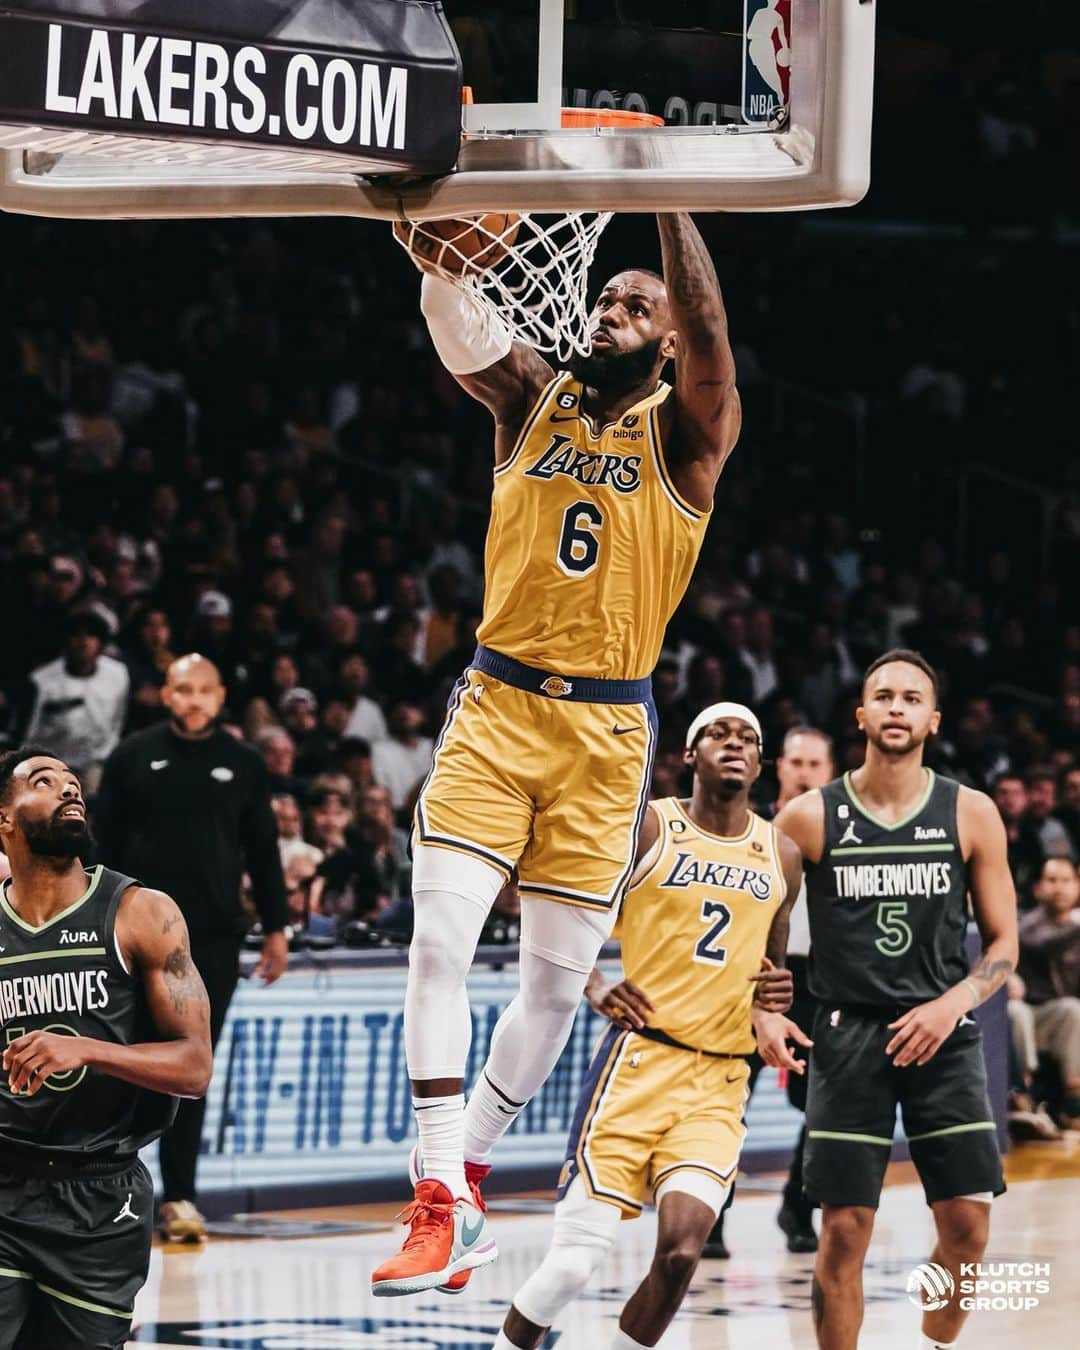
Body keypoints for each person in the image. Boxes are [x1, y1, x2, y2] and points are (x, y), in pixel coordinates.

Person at [372, 213, 740, 1298]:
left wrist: (668, 198)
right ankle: (438, 1196)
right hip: (496, 706)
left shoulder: (689, 434)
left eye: (635, 307)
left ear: (666, 343)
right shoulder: (533, 398)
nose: (607, 312)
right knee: (436, 942)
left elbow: (712, 327)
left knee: (551, 988)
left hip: (607, 736)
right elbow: (457, 328)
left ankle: (470, 1170)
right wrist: (434, 257)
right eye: (604, 298)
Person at [493, 704, 802, 1350]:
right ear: (689, 755)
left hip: (719, 1081)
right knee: (574, 1263)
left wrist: (773, 1005)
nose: (734, 744)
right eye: (718, 734)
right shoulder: (646, 828)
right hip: (637, 1064)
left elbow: (769, 976)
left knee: (681, 1255)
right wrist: (596, 984)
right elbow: (553, 909)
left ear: (760, 763)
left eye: (748, 738)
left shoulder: (783, 854)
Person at [776, 649, 1018, 1350]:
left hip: (945, 1033)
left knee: (968, 1229)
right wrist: (764, 1004)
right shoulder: (806, 818)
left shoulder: (970, 813)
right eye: (883, 695)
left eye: (912, 698)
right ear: (861, 714)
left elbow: (1003, 946)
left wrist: (953, 1003)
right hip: (848, 1037)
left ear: (932, 720)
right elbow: (761, 925)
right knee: (843, 1230)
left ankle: (931, 1344)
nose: (896, 707)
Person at [0, 747, 211, 1350]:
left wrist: (89, 1051)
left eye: (73, 783)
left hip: (101, 1197)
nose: (70, 790)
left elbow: (194, 1067)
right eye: (44, 782)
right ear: (5, 821)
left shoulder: (141, 913)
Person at [92, 653, 288, 1242]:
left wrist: (275, 926)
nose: (195, 700)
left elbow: (263, 851)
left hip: (210, 941)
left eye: (205, 690)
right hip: (130, 938)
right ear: (167, 694)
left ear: (221, 694)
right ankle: (109, 1190)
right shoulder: (132, 756)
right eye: (183, 689)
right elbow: (101, 848)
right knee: (117, 1061)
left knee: (188, 1068)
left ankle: (179, 1196)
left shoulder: (244, 764)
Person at [704, 724, 834, 1260]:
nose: (804, 771)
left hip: (820, 980)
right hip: (749, 978)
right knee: (731, 1100)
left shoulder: (842, 834)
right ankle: (711, 1214)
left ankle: (798, 1205)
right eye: (796, 761)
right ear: (778, 766)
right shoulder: (750, 827)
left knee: (822, 1105)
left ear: (830, 773)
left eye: (815, 764)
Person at [23, 611, 130, 796]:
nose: (83, 641)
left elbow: (118, 719)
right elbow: (28, 731)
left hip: (97, 762)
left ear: (101, 643)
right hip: (50, 763)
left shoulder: (118, 674)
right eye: (76, 635)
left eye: (91, 635)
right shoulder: (42, 681)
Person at [1009, 856, 1080, 1130]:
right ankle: (1023, 1101)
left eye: (1066, 881)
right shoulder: (1027, 925)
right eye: (1051, 880)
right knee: (1018, 1013)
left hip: (1056, 1017)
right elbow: (1042, 943)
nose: (1059, 888)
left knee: (1073, 1010)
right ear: (1037, 887)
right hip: (1027, 1012)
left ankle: (1073, 1106)